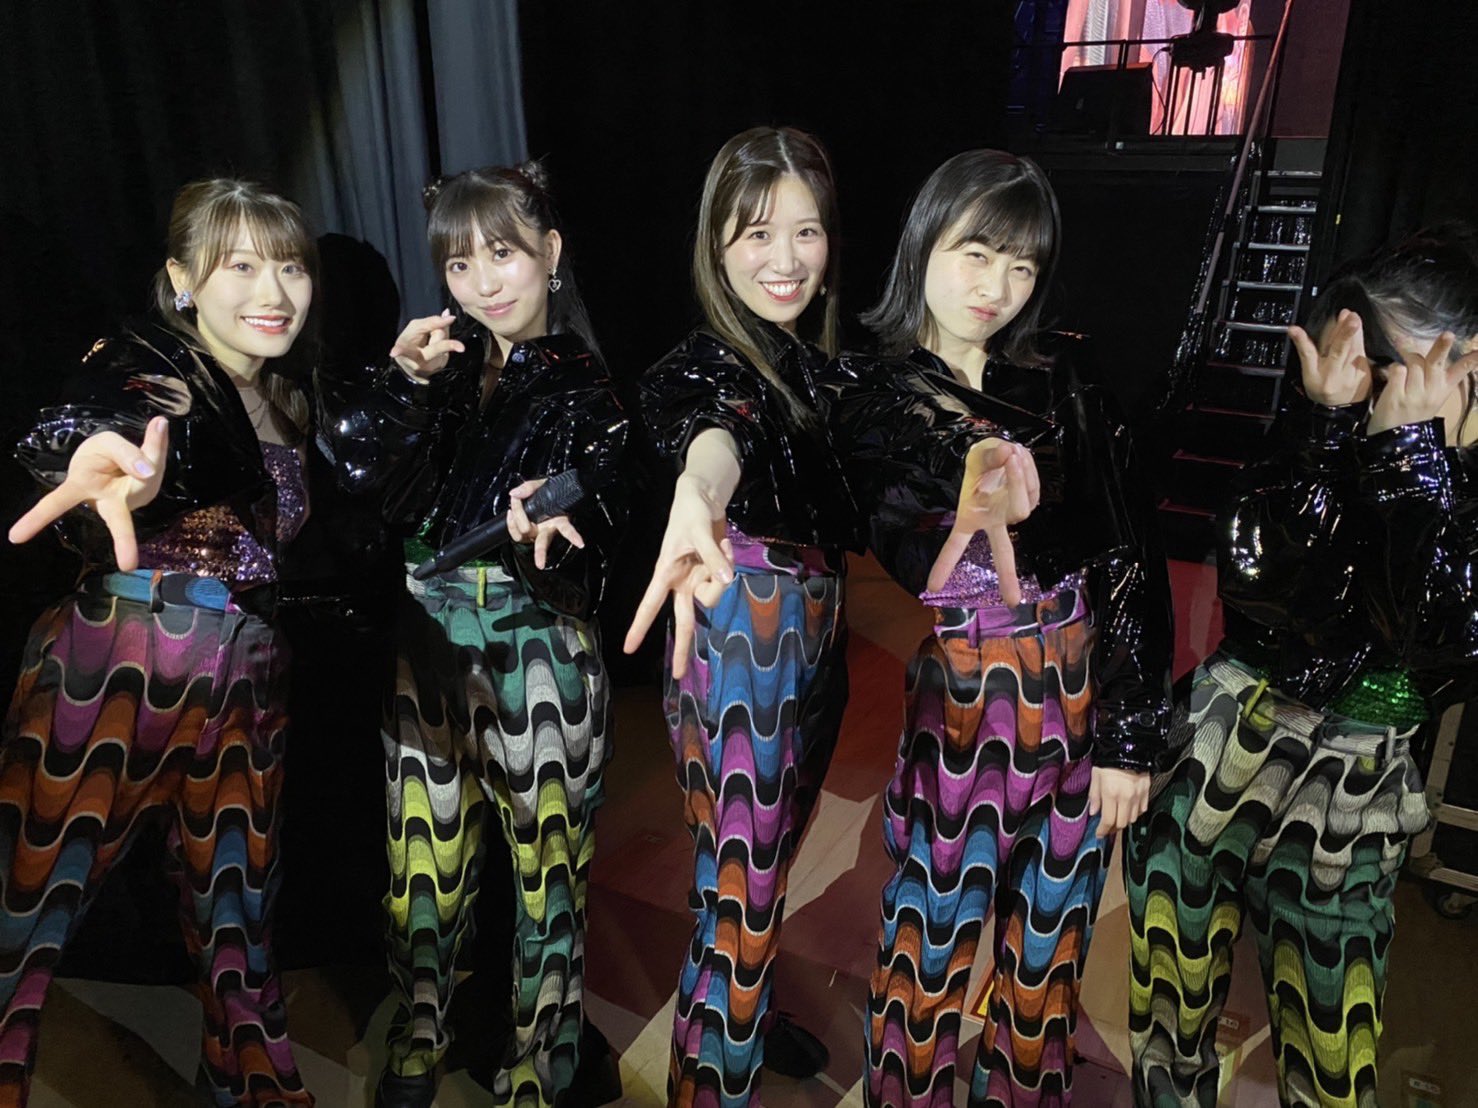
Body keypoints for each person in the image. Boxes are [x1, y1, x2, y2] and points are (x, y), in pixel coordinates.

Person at [820, 149, 1172, 1106]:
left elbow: (1128, 547)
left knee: (1048, 961)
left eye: (1022, 264)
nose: (997, 287)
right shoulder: (875, 389)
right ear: (924, 242)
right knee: (928, 950)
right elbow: (903, 527)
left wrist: (1131, 735)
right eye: (976, 253)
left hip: (1080, 693)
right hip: (968, 705)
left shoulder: (1064, 371)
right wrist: (974, 485)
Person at [1125, 227, 1478, 1107]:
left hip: (1360, 782)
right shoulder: (1315, 437)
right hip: (1227, 736)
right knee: (1172, 997)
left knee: (1332, 1046)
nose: (1374, 388)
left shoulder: (1450, 480)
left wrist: (1414, 469)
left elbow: (1444, 639)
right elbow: (1267, 587)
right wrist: (1325, 435)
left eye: (1404, 369)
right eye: (1364, 363)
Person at [2, 178, 319, 1106]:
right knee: (25, 912)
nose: (273, 291)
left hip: (247, 669)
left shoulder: (290, 396)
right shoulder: (151, 367)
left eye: (291, 267)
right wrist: (105, 467)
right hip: (123, 657)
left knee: (238, 915)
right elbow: (98, 424)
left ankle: (254, 1089)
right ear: (182, 279)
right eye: (240, 266)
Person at [319, 162, 628, 1108]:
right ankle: (420, 1036)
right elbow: (357, 482)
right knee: (421, 866)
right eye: (460, 264)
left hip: (538, 649)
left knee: (548, 878)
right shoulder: (442, 368)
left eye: (503, 253)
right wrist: (401, 383)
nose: (484, 282)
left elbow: (604, 543)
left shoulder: (590, 390)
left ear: (550, 252)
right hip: (426, 638)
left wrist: (554, 531)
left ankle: (541, 1063)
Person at [623, 125, 860, 1106]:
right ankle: (711, 1076)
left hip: (814, 632)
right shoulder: (705, 367)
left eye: (805, 231)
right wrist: (697, 492)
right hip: (744, 632)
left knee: (755, 867)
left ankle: (740, 1020)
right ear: (716, 246)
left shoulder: (822, 364)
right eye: (756, 233)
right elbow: (715, 434)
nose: (784, 259)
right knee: (743, 881)